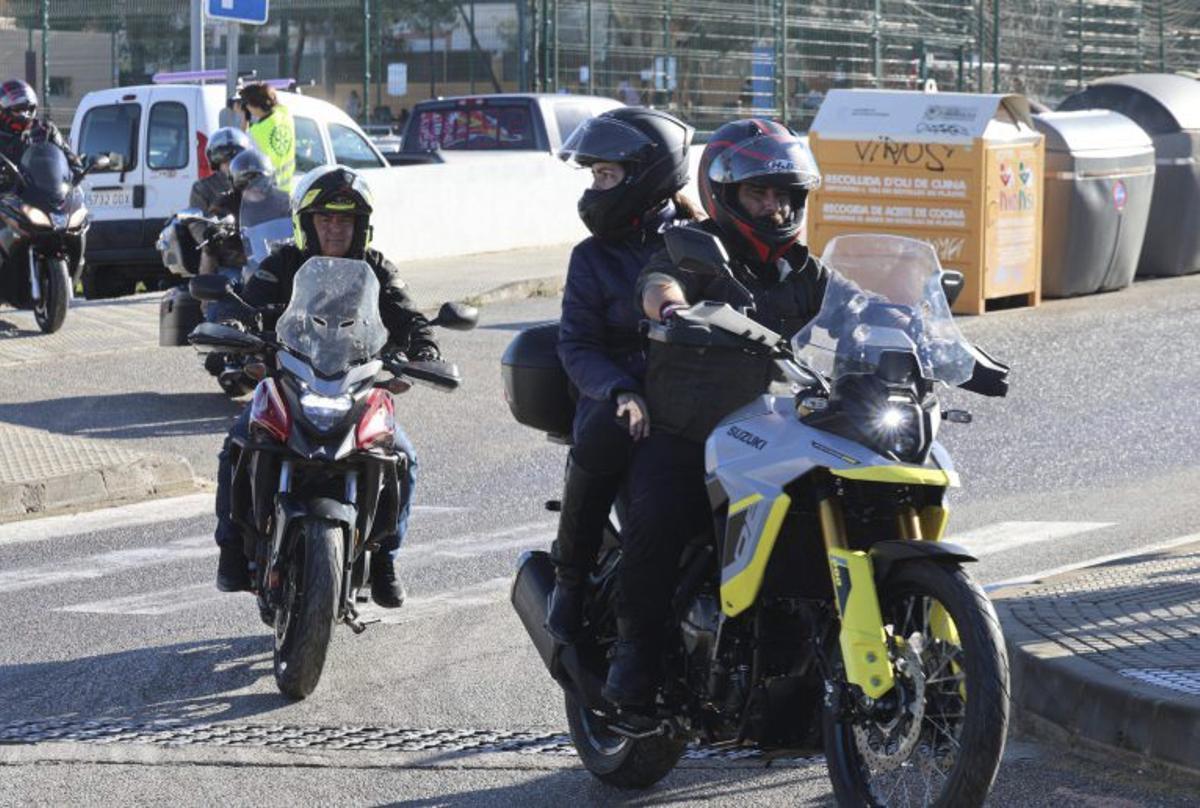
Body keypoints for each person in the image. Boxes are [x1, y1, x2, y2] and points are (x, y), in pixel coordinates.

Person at [604, 118, 829, 708]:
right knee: (657, 519)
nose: (775, 208)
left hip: (778, 431)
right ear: (725, 194)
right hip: (690, 431)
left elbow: (854, 308)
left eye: (784, 195)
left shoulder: (805, 270)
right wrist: (672, 307)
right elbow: (658, 282)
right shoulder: (691, 248)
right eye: (760, 193)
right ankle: (635, 658)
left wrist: (905, 322)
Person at [213, 165, 440, 607]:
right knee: (238, 441)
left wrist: (423, 353)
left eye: (346, 220)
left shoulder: (376, 268)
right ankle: (232, 550)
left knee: (403, 458)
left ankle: (386, 559)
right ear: (307, 223)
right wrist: (233, 333)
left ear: (361, 227)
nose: (336, 228)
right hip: (289, 382)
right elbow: (242, 304)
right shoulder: (281, 264)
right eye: (326, 219)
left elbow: (410, 317)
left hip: (356, 387)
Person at [546, 107, 697, 643]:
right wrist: (620, 390)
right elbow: (577, 344)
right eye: (594, 176)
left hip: (694, 394)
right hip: (614, 387)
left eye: (606, 175)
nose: (595, 188)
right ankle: (570, 577)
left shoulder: (701, 242)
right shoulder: (591, 258)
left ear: (646, 178)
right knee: (606, 432)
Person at [189, 127, 251, 270]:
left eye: (237, 159)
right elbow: (196, 224)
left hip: (255, 246)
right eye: (225, 160)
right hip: (222, 251)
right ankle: (203, 291)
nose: (231, 165)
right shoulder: (203, 188)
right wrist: (210, 237)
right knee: (208, 251)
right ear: (216, 162)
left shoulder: (254, 183)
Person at [0, 79, 82, 185]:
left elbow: (67, 155)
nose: (25, 113)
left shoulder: (45, 130)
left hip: (44, 192)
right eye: (19, 109)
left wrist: (76, 169)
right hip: (8, 193)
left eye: (28, 109)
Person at [237, 82, 296, 192]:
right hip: (288, 190)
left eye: (247, 104)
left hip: (269, 192)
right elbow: (276, 103)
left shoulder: (256, 132)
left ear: (254, 106)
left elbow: (239, 149)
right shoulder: (285, 114)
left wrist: (244, 118)